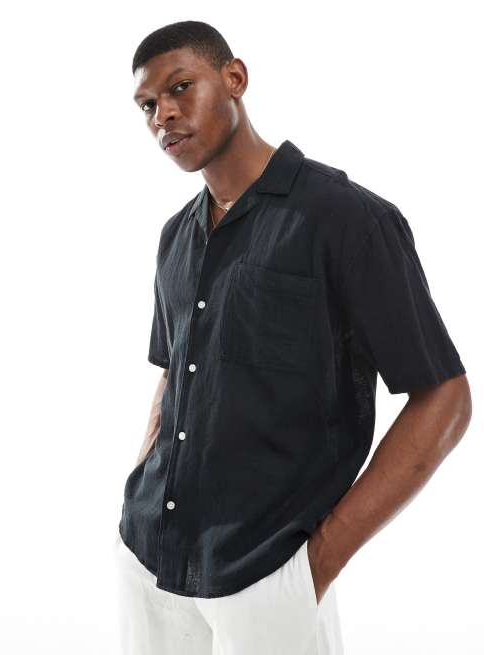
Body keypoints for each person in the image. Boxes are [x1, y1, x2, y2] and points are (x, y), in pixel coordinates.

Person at [113, 19, 472, 655]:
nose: (162, 115)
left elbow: (445, 398)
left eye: (180, 87)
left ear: (235, 78)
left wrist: (317, 565)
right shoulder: (176, 236)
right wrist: (143, 474)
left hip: (267, 574)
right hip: (148, 560)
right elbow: (174, 371)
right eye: (147, 105)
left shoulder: (345, 218)